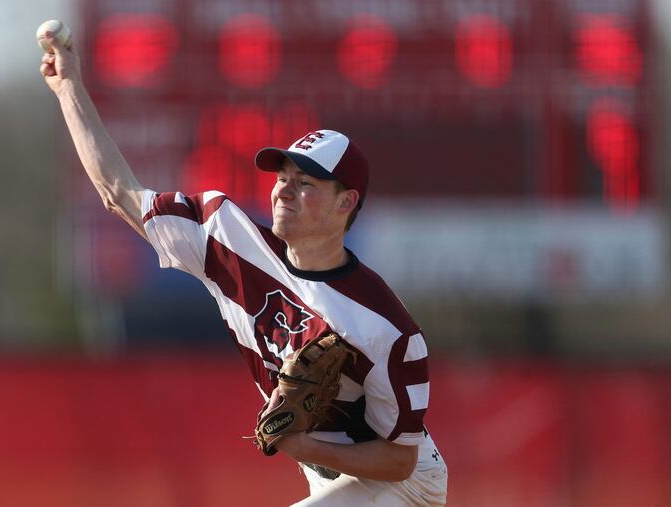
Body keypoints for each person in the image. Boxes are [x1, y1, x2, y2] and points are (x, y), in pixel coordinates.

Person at [39, 32, 448, 506]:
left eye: (306, 182)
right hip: (326, 480)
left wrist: (300, 444)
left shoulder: (385, 327)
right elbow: (119, 193)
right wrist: (69, 89)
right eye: (283, 178)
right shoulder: (228, 242)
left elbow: (401, 460)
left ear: (346, 202)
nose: (284, 191)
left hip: (401, 488)